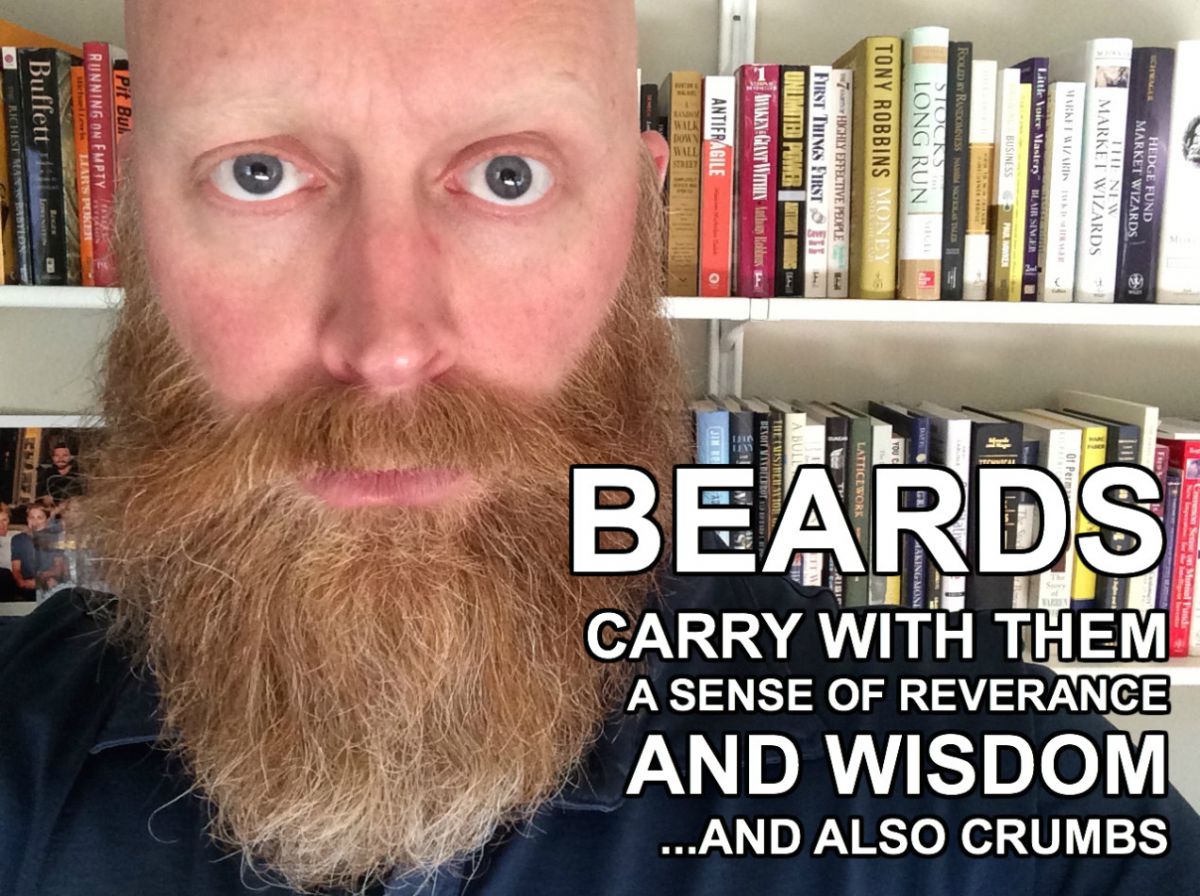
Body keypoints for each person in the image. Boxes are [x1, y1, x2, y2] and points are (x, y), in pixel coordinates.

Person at [0, 2, 1197, 895]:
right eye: (258, 173)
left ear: (640, 218)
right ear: (135, 227)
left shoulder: (984, 785)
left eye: (507, 175)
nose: (388, 344)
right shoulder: (23, 749)